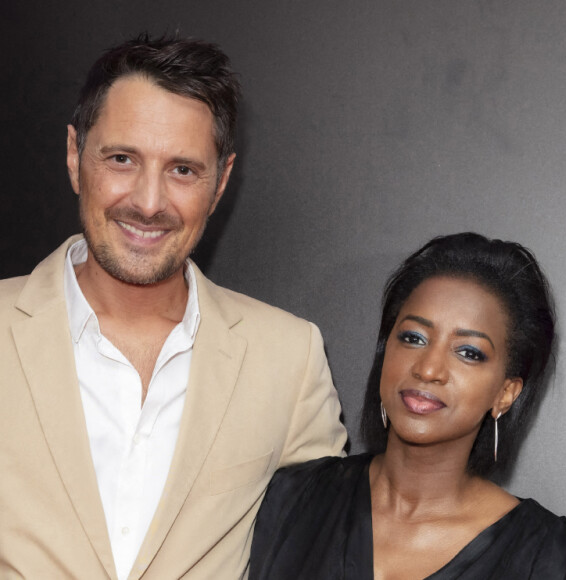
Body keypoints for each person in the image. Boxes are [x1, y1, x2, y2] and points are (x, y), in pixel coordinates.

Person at [0, 34, 346, 579]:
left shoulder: (289, 358)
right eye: (121, 159)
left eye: (183, 170)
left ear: (221, 181)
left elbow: (325, 550)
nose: (149, 202)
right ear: (74, 156)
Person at [250, 232, 566, 579]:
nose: (428, 369)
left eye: (468, 352)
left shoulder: (546, 558)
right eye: (413, 338)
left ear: (506, 393)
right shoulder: (292, 499)